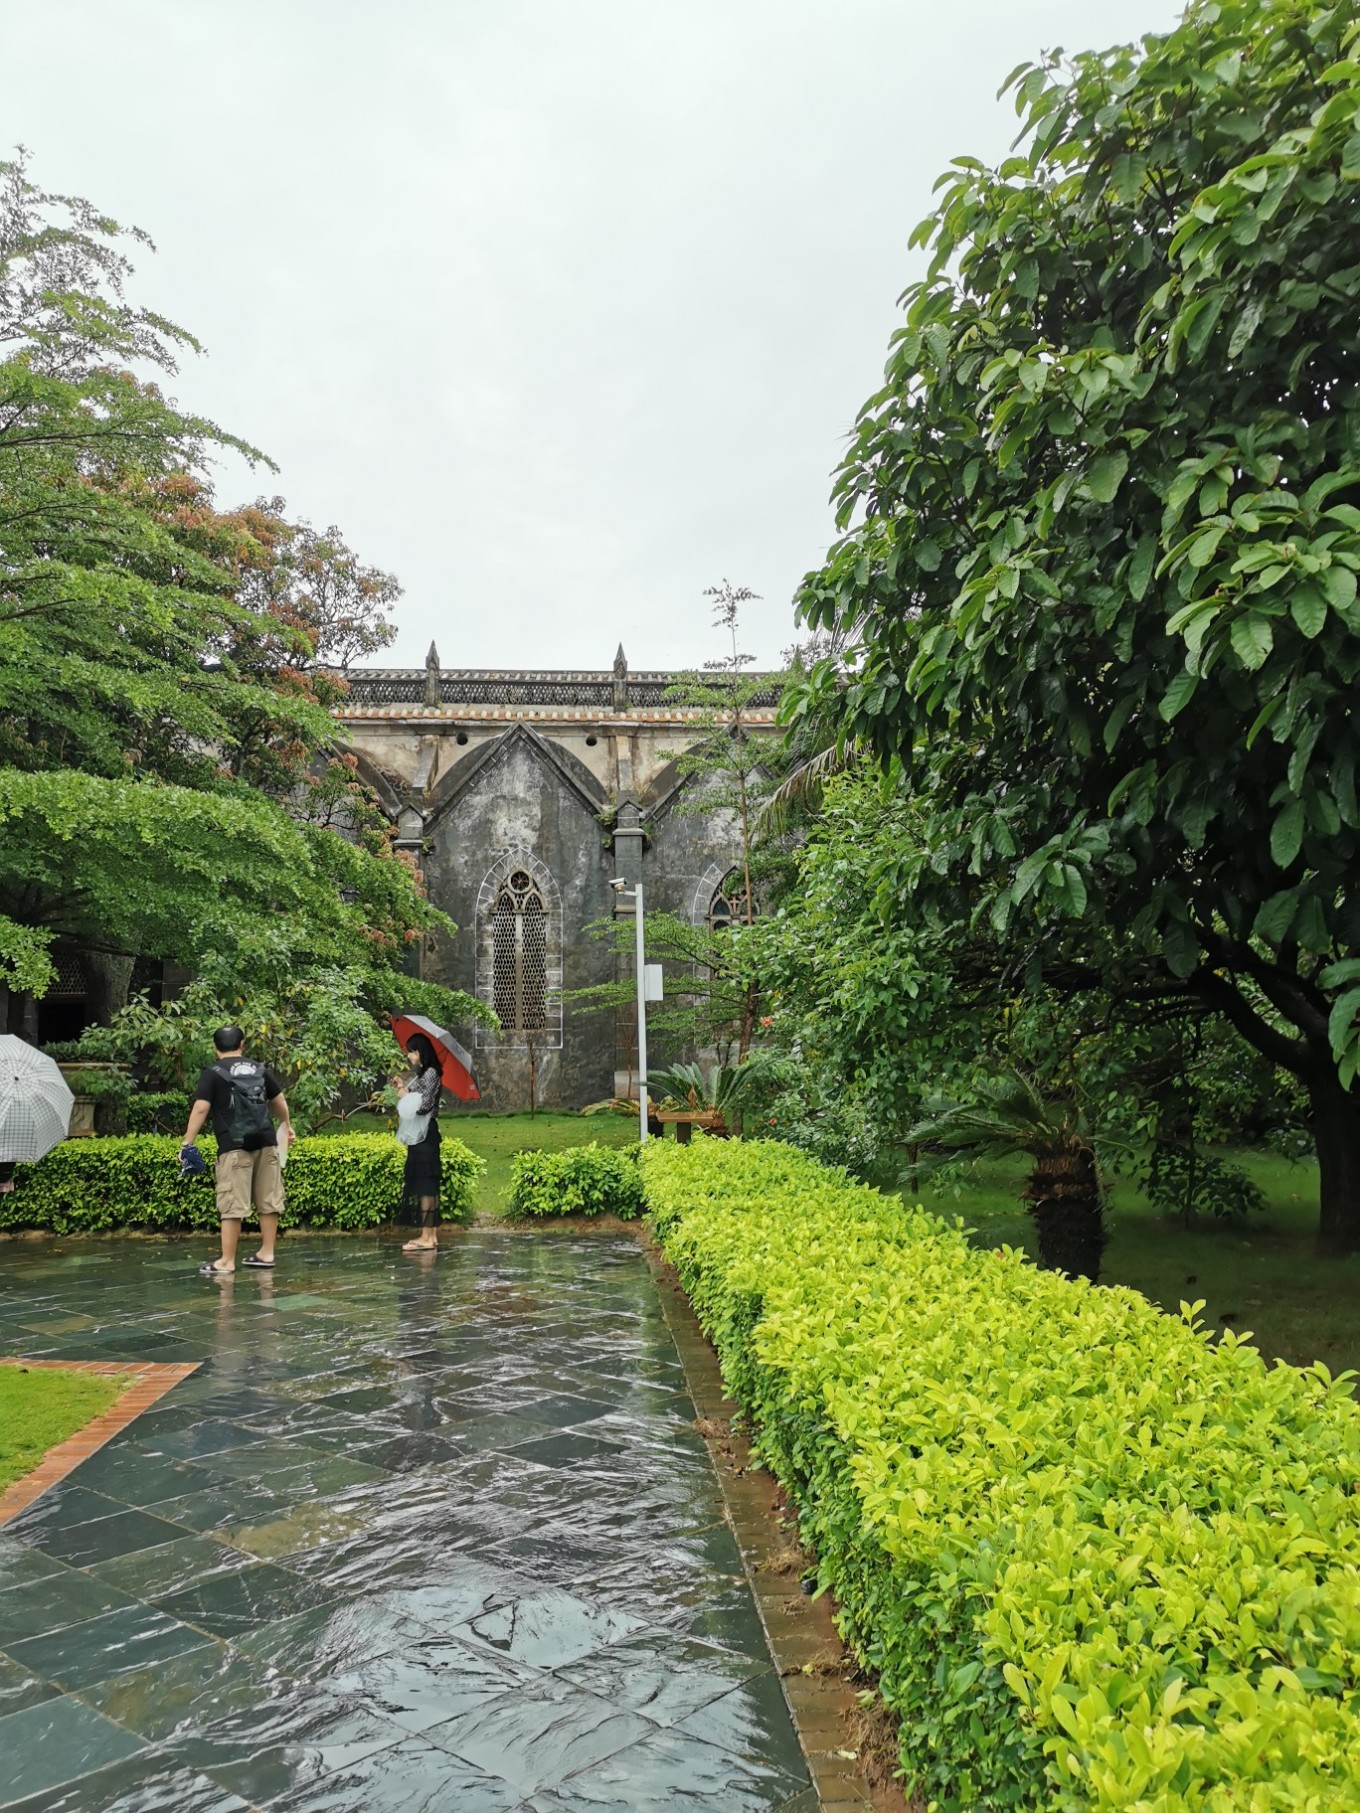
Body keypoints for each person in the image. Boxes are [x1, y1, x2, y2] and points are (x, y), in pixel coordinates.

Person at [181, 1025, 294, 1277]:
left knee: (232, 1203)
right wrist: (286, 1127)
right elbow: (279, 1101)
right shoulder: (259, 1069)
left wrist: (187, 1142)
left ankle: (227, 1261)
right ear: (242, 1045)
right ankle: (266, 1253)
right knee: (269, 1199)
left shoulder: (213, 1073)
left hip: (234, 1146)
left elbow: (201, 1108)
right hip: (266, 1141)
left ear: (215, 1047)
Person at [397, 1032, 443, 1253]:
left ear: (420, 1051)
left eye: (412, 1052)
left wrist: (405, 1097)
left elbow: (424, 1106)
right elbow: (417, 1094)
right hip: (423, 1135)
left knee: (426, 1186)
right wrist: (404, 1088)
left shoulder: (431, 1073)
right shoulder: (423, 1074)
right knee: (428, 1187)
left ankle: (426, 1236)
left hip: (425, 1136)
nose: (409, 1056)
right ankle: (430, 1235)